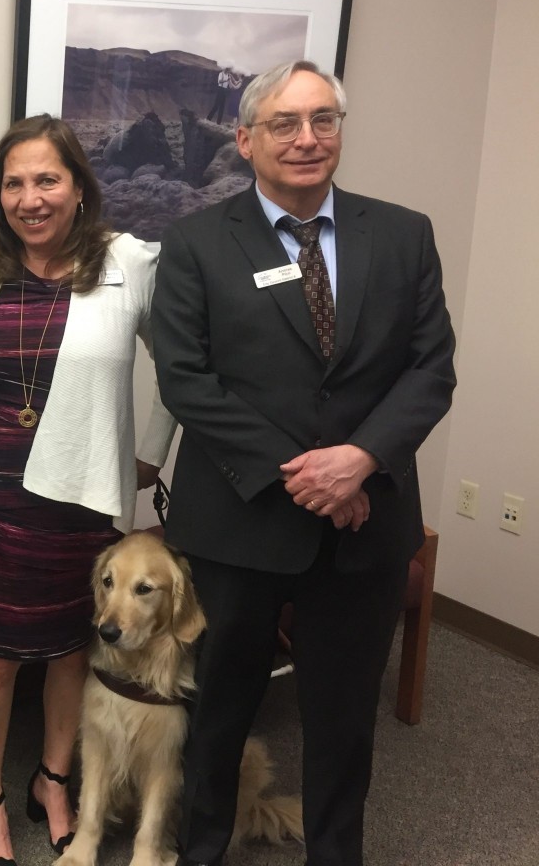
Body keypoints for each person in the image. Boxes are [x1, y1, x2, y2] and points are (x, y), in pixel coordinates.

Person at [152, 60, 456, 866]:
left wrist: (360, 461)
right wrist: (311, 476)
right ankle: (203, 847)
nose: (307, 138)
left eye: (324, 119)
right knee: (220, 708)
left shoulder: (403, 234)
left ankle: (335, 853)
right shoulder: (194, 244)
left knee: (344, 718)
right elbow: (188, 381)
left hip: (367, 526)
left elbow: (431, 369)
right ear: (246, 139)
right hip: (239, 524)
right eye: (285, 123)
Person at [0, 114, 176, 866]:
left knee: (72, 649)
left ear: (80, 187)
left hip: (80, 498)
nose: (30, 197)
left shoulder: (129, 262)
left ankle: (52, 779)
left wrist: (147, 455)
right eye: (14, 182)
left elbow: (182, 363)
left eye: (47, 179)